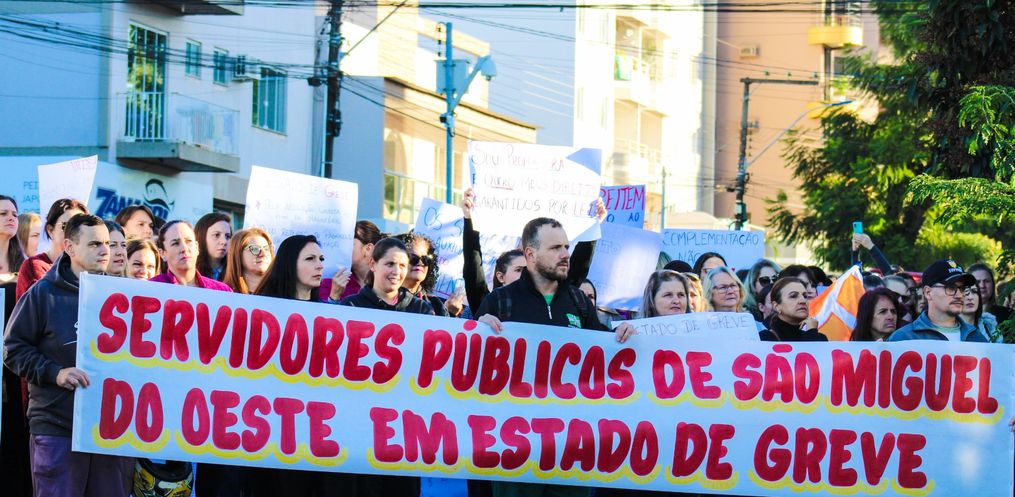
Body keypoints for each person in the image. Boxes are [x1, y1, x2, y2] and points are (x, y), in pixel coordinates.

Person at [474, 217, 635, 497]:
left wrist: (621, 336)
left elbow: (603, 355)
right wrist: (477, 331)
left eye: (567, 247)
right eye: (555, 248)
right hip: (515, 444)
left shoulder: (578, 301)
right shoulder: (499, 301)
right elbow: (472, 366)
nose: (565, 255)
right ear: (530, 254)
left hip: (571, 446)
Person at [4, 213, 135, 497]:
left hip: (110, 431)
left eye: (107, 244)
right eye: (94, 244)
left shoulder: (125, 296)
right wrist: (55, 373)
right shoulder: (42, 294)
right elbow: (12, 349)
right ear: (70, 247)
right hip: (58, 427)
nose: (105, 250)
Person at [247, 235, 348, 497]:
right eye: (310, 259)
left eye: (321, 259)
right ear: (290, 264)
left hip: (315, 429)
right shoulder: (261, 311)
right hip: (272, 428)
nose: (320, 265)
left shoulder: (327, 315)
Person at [341, 237, 433, 497]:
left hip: (405, 424)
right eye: (390, 264)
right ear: (373, 264)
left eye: (402, 265)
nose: (397, 271)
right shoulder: (351, 307)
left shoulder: (422, 310)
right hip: (361, 423)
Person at [460, 188, 603, 315]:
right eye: (519, 269)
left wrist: (592, 226)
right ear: (501, 276)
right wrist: (470, 219)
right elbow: (473, 269)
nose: (526, 273)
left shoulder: (565, 299)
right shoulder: (493, 304)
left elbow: (578, 267)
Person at [0, 194, 31, 497]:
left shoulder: (25, 268)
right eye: (3, 213)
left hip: (14, 367)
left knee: (13, 434)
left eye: (14, 213)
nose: (11, 217)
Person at [889, 260, 988, 342]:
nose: (959, 295)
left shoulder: (977, 338)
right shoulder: (903, 339)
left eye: (962, 288)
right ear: (928, 292)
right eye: (950, 287)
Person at [15, 198, 87, 299]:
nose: (75, 232)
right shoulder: (35, 266)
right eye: (67, 226)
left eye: (81, 227)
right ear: (50, 230)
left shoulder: (89, 268)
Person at [149, 220, 232, 291]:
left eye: (188, 241)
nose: (184, 248)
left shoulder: (222, 291)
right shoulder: (151, 289)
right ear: (162, 253)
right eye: (175, 243)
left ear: (197, 247)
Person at [394, 231, 461, 317]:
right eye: (413, 258)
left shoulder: (436, 305)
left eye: (426, 259)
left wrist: (450, 315)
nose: (420, 263)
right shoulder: (382, 298)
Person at [321, 220, 384, 302]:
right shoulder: (331, 282)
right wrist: (334, 295)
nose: (342, 249)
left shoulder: (386, 280)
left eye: (348, 244)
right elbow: (322, 310)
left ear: (368, 249)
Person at [759, 277, 828, 342]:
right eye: (793, 296)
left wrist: (812, 332)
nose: (803, 301)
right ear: (776, 306)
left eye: (805, 296)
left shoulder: (819, 337)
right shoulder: (764, 338)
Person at [222, 228, 274, 294]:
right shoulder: (223, 294)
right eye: (254, 249)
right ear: (237, 254)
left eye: (267, 249)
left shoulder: (282, 292)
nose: (263, 254)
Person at [194, 212, 232, 281]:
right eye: (216, 235)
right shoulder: (190, 271)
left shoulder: (235, 271)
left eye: (227, 236)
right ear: (201, 236)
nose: (224, 242)